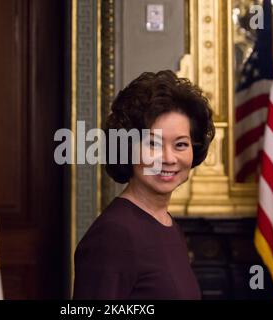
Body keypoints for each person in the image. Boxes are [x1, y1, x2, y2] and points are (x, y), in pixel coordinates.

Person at [73, 70, 215, 299]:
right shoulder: (114, 235)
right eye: (154, 144)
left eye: (180, 144)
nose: (169, 158)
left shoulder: (167, 224)